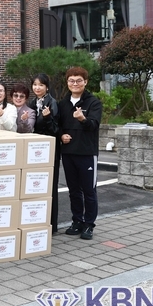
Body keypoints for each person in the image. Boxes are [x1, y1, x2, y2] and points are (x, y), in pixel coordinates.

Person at [59, 67, 102, 240]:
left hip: (87, 153)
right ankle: (77, 221)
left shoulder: (93, 103)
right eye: (71, 80)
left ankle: (89, 224)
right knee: (74, 191)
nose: (75, 84)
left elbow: (94, 125)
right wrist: (61, 135)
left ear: (85, 82)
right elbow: (58, 125)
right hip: (68, 153)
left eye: (79, 80)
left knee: (89, 191)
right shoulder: (63, 104)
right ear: (67, 82)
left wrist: (83, 119)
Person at [29, 73, 60, 233]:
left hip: (49, 149)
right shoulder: (32, 102)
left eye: (41, 85)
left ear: (47, 87)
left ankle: (51, 224)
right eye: (35, 84)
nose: (37, 88)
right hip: (35, 149)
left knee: (50, 186)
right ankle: (36, 222)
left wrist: (47, 118)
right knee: (36, 185)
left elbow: (56, 129)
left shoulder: (52, 103)